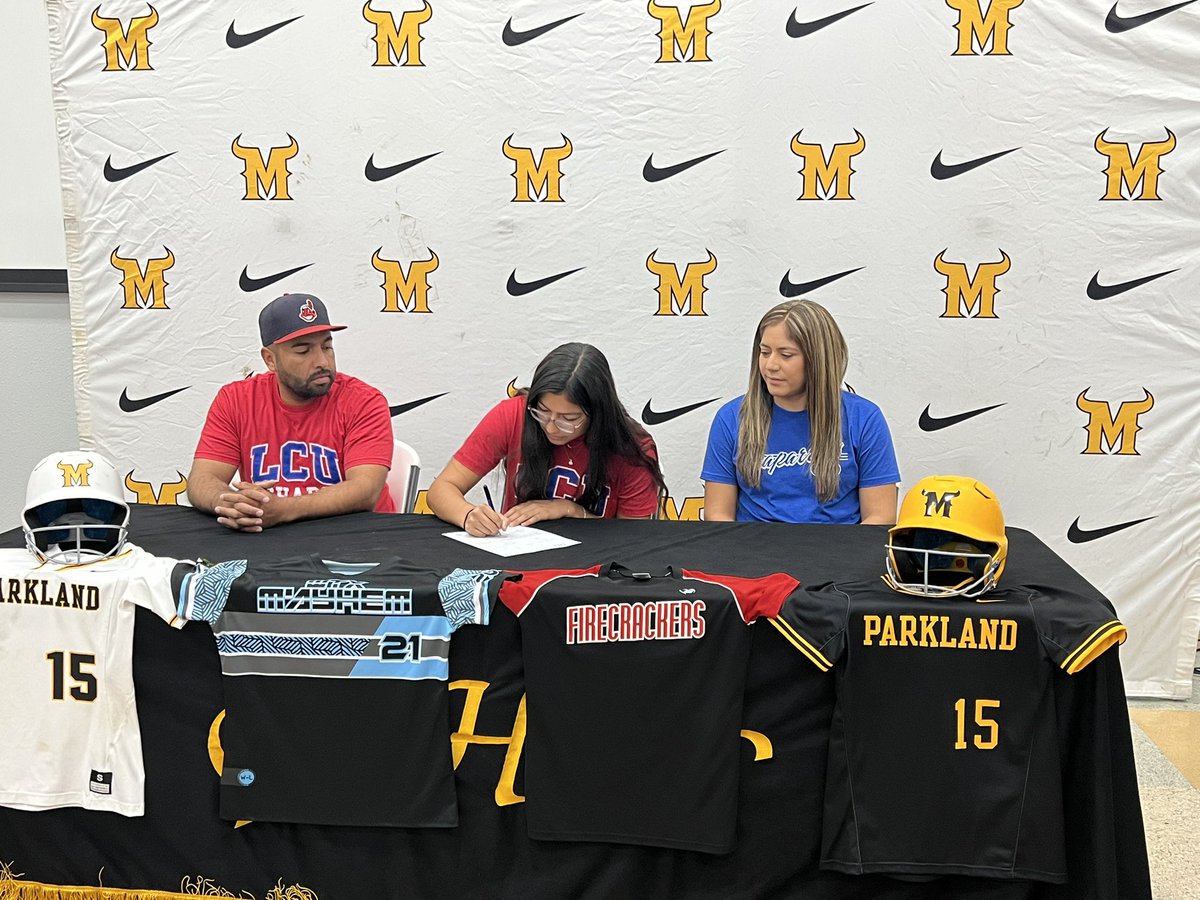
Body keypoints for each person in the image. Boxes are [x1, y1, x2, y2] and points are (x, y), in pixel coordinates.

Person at [186, 293, 394, 531]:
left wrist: (284, 509)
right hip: (267, 536)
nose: (322, 361)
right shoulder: (235, 400)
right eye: (303, 351)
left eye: (327, 346)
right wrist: (231, 505)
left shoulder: (364, 401)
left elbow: (365, 490)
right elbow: (202, 479)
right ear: (270, 360)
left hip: (356, 537)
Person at [427, 342, 666, 536]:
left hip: (597, 570)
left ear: (598, 413)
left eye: (568, 418)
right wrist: (468, 515)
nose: (551, 427)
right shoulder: (513, 415)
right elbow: (441, 489)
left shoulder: (632, 449)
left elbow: (634, 539)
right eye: (542, 411)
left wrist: (570, 510)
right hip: (519, 563)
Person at [701, 299, 899, 524]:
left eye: (786, 355)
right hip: (753, 555)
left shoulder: (864, 419)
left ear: (818, 360)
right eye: (765, 352)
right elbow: (717, 516)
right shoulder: (731, 419)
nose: (770, 365)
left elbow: (880, 518)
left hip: (839, 555)